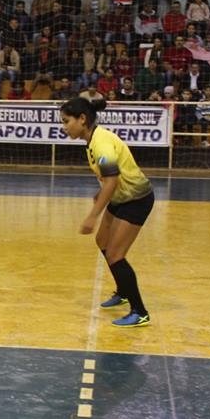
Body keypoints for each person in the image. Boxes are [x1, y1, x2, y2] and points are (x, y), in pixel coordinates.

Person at [59, 96, 155, 327]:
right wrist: (100, 194)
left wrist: (92, 215)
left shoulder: (100, 141)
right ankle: (123, 291)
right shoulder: (92, 139)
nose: (64, 127)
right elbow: (109, 180)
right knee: (102, 241)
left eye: (66, 121)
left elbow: (112, 180)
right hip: (120, 197)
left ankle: (140, 311)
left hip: (136, 199)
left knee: (115, 254)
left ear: (82, 119)